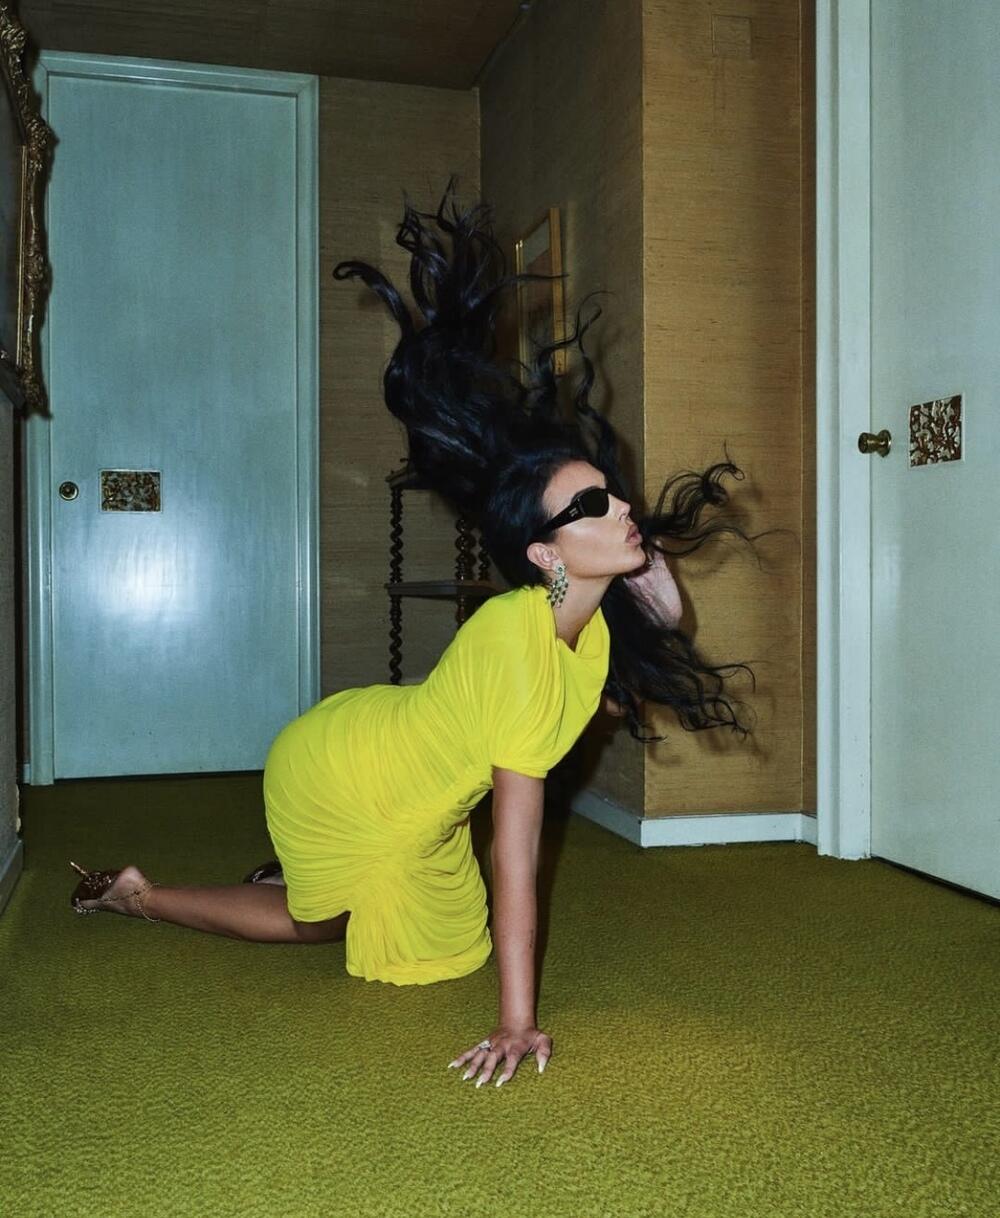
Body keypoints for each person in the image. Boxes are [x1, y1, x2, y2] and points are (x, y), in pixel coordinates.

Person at [70, 189, 755, 1089]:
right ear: (545, 552)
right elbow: (516, 855)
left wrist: (632, 542)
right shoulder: (518, 641)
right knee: (321, 925)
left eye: (613, 491)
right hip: (341, 771)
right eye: (593, 504)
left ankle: (300, 873)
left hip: (414, 783)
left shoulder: (578, 625)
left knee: (444, 944)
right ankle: (141, 897)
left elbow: (664, 616)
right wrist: (517, 1022)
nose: (622, 506)